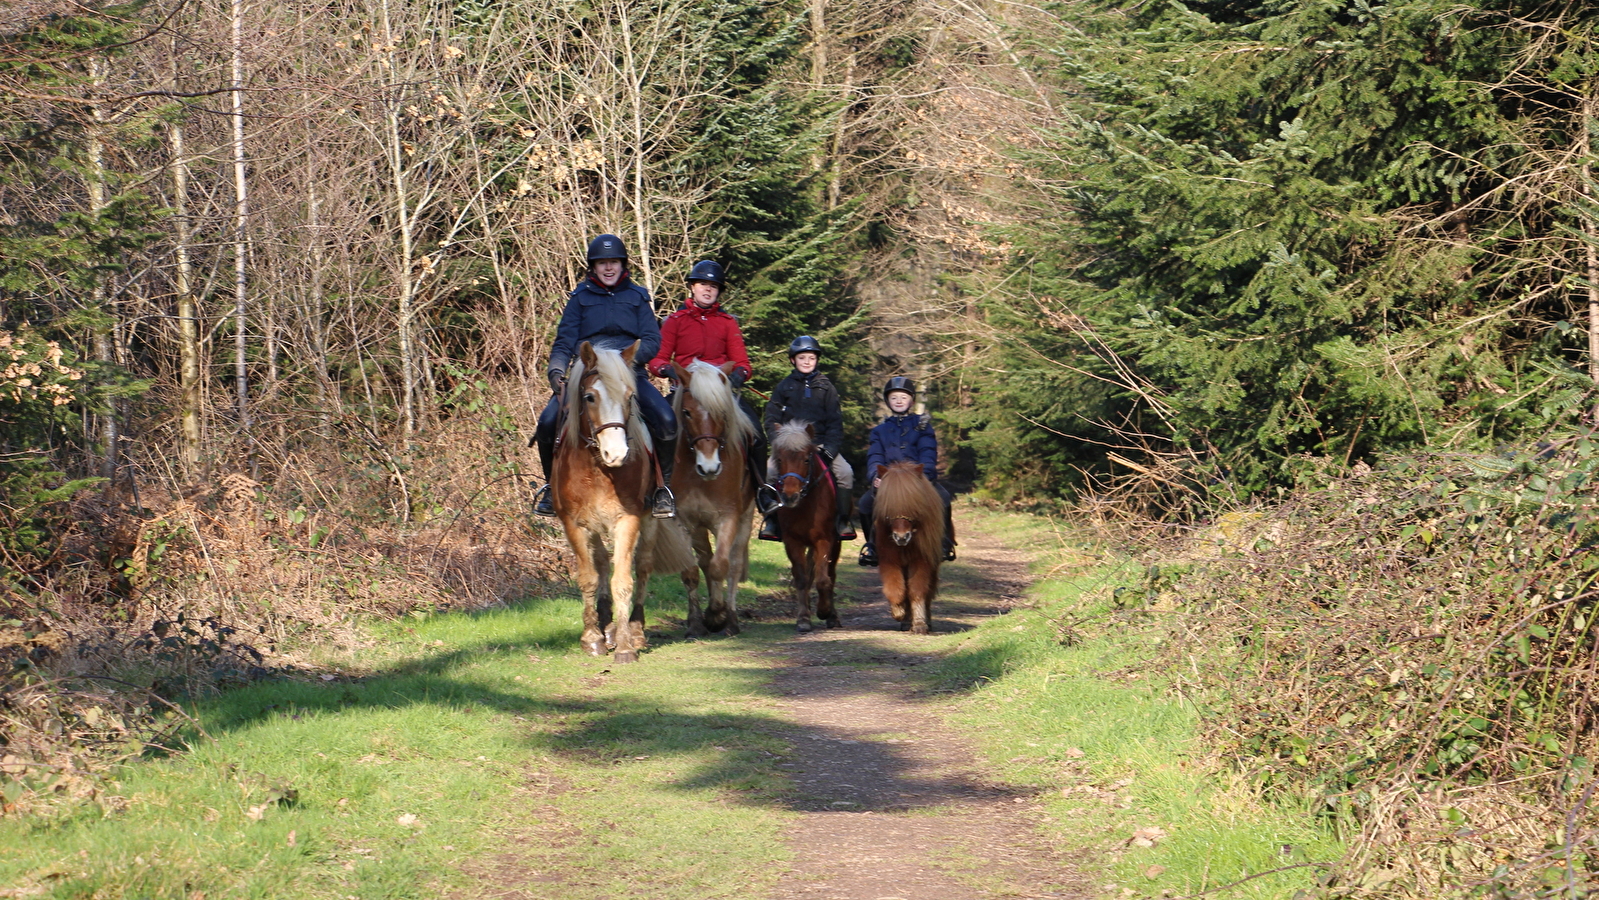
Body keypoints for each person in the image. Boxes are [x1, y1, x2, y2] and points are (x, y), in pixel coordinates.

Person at [532, 234, 677, 518]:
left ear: (623, 265)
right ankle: (551, 488)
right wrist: (556, 369)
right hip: (588, 374)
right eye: (602, 263)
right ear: (593, 267)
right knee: (547, 422)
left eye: (614, 262)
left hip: (627, 373)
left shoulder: (637, 297)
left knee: (667, 420)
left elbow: (651, 339)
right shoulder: (580, 298)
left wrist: (626, 359)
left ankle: (663, 489)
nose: (608, 268)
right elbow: (564, 341)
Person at [645, 260, 779, 513]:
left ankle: (762, 490)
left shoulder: (728, 322)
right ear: (692, 287)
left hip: (720, 392)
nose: (708, 290)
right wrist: (669, 370)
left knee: (757, 436)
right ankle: (657, 489)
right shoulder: (675, 320)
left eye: (713, 286)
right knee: (655, 428)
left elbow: (742, 363)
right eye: (703, 284)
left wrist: (737, 377)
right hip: (685, 392)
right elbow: (658, 358)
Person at [759, 335, 855, 541]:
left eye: (811, 358)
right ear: (793, 360)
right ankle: (771, 521)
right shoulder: (784, 386)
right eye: (802, 358)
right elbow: (771, 418)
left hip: (819, 444)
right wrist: (780, 444)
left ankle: (842, 520)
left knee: (846, 473)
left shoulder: (827, 387)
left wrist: (830, 449)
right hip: (789, 447)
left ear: (817, 360)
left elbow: (835, 423)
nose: (807, 362)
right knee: (768, 472)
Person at [857, 376, 956, 566]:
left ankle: (944, 542)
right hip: (889, 481)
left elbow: (928, 453)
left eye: (903, 397)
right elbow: (875, 456)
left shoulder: (923, 427)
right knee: (865, 504)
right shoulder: (879, 431)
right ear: (888, 402)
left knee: (943, 500)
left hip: (918, 479)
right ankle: (872, 546)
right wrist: (875, 477)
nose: (899, 401)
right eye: (894, 398)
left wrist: (924, 476)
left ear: (911, 400)